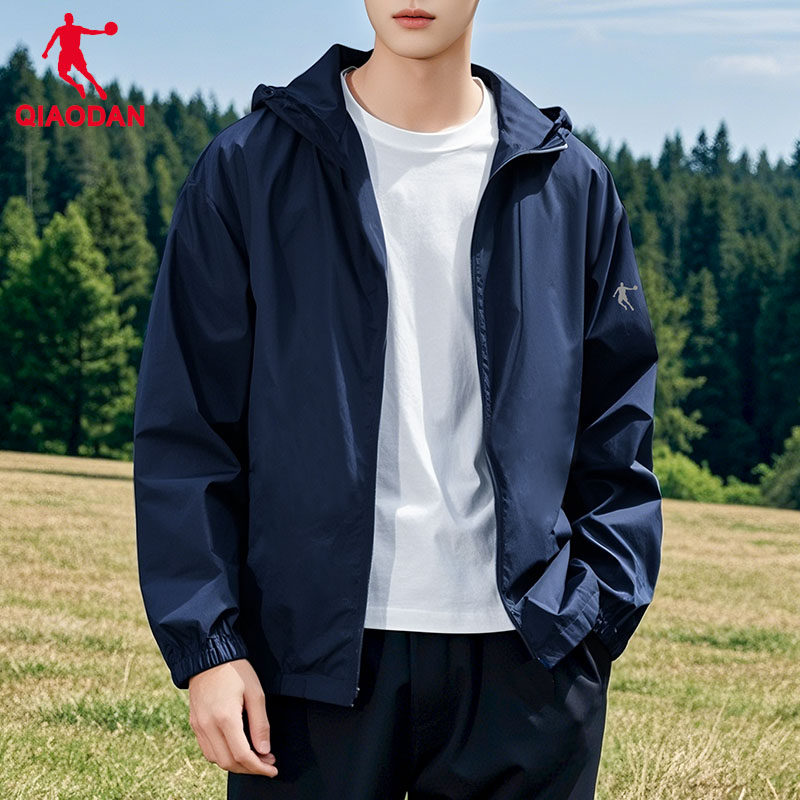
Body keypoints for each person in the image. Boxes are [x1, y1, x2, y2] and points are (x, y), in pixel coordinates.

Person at [132, 1, 663, 798]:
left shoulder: (570, 182)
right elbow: (186, 429)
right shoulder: (248, 168)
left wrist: (592, 618)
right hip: (309, 666)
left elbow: (617, 428)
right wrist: (208, 647)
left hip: (528, 666)